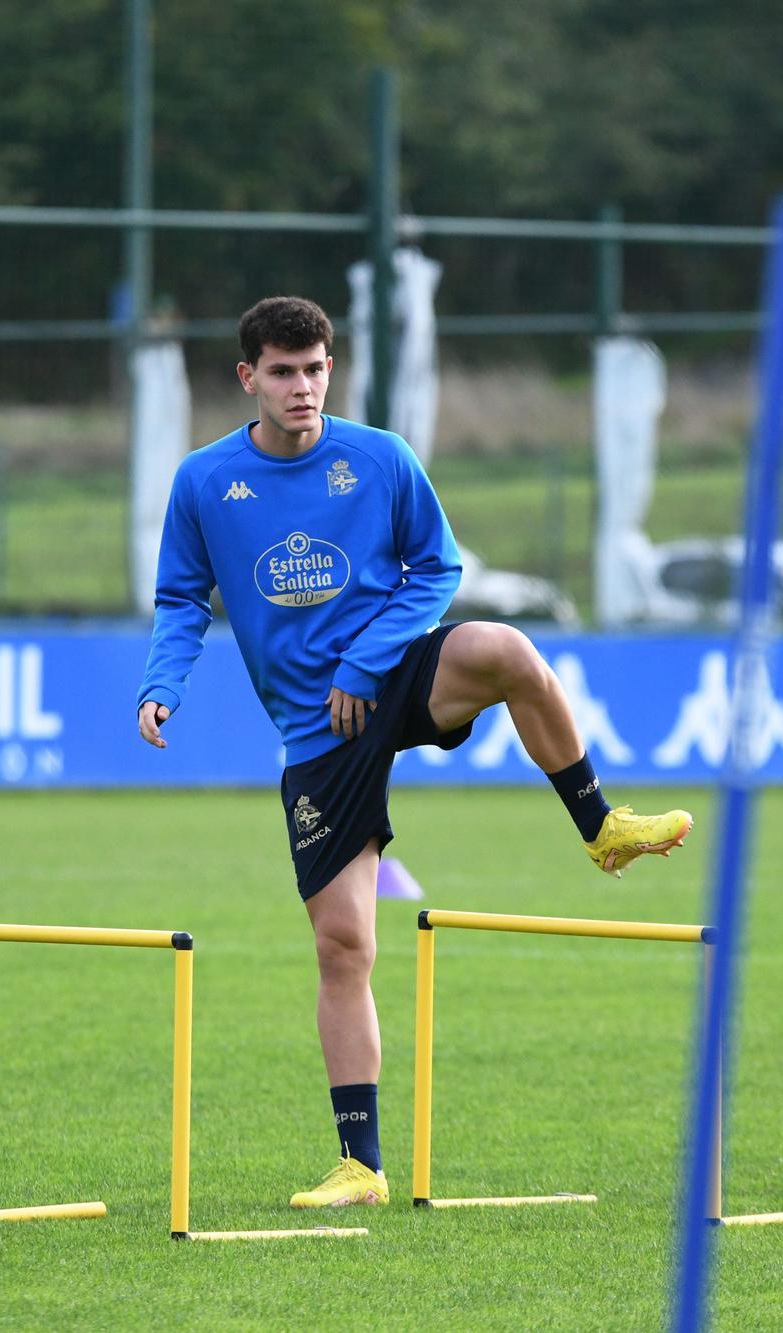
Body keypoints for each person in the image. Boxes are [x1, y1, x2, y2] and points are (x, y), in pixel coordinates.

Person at [134, 296, 693, 1209]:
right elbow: (182, 598)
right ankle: (362, 1164)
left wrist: (365, 658)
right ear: (248, 379)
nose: (303, 387)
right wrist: (163, 683)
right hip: (317, 730)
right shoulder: (204, 482)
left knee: (508, 650)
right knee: (344, 942)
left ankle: (601, 826)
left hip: (395, 669)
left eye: (315, 368)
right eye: (282, 371)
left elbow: (435, 570)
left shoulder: (381, 458)